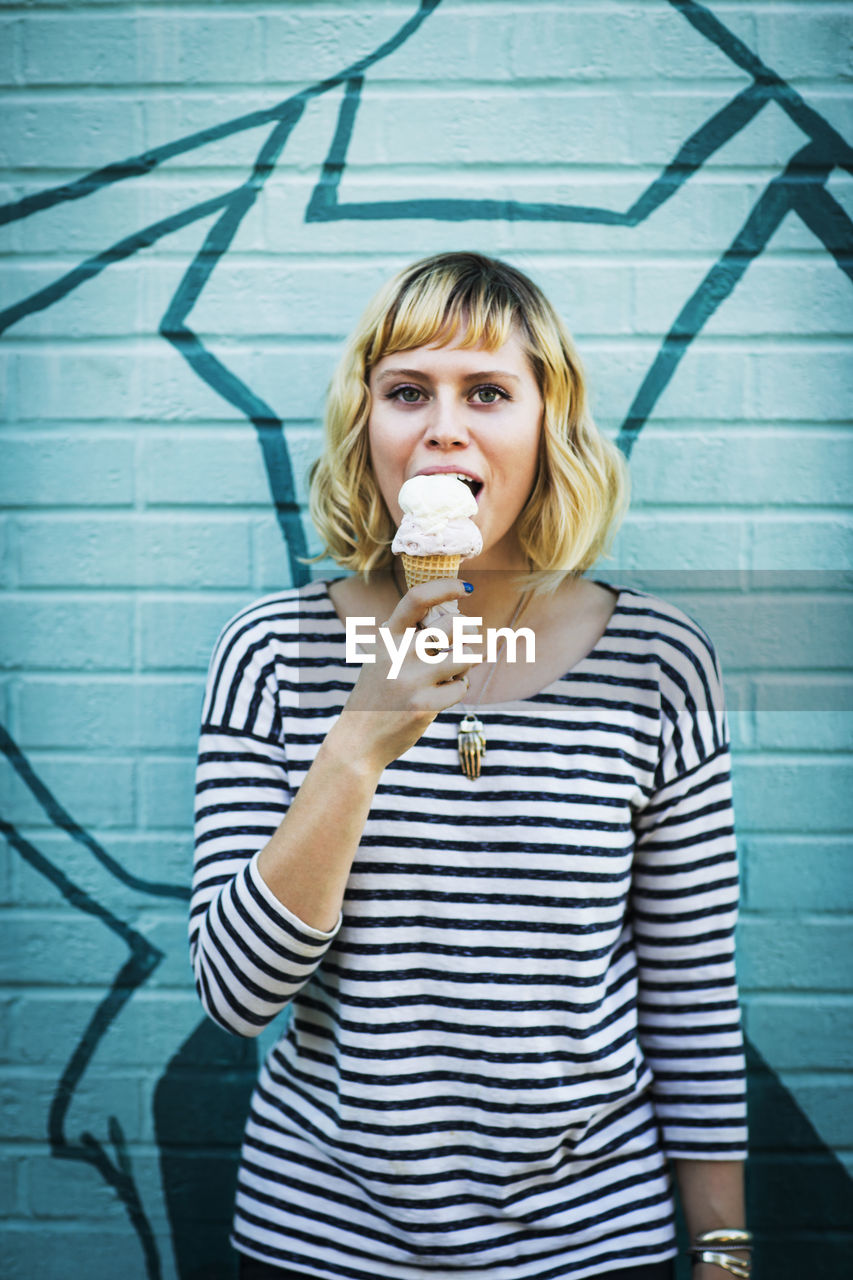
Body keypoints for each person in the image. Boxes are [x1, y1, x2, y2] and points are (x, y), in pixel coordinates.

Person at [191, 252, 750, 1280]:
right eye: (408, 391)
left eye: (487, 391)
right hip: (320, 1239)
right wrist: (360, 739)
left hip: (595, 1242)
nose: (443, 424)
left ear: (547, 425)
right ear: (370, 428)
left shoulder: (658, 661)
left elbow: (690, 992)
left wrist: (721, 1247)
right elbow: (235, 995)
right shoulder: (270, 652)